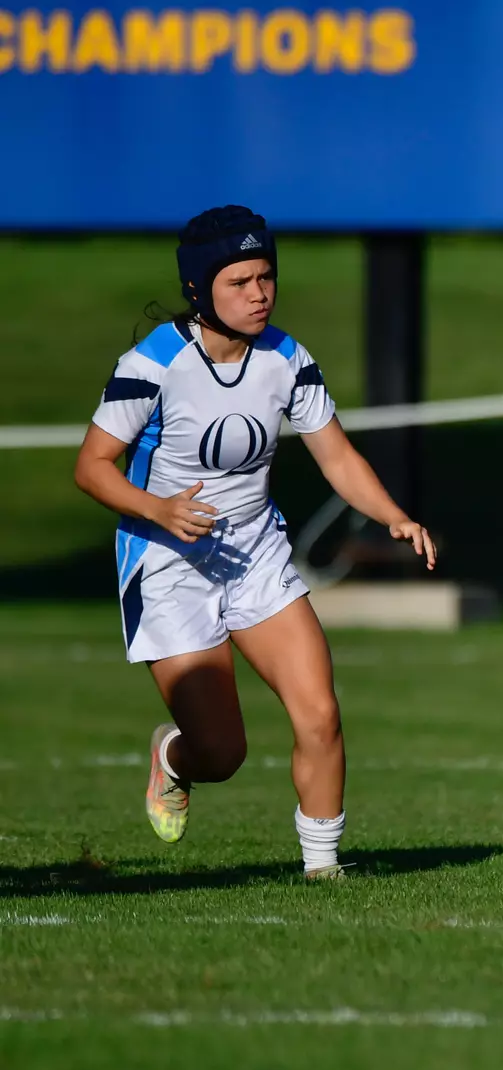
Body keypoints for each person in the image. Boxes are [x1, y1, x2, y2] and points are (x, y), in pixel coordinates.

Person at [72, 206, 435, 879]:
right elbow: (91, 468)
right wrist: (159, 508)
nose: (259, 292)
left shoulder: (286, 358)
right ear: (198, 289)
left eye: (265, 276)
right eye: (239, 281)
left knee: (320, 713)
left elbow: (337, 457)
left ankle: (323, 868)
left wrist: (393, 514)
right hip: (167, 564)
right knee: (222, 754)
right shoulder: (153, 363)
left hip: (256, 555)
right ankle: (174, 758)